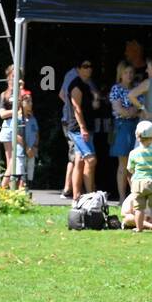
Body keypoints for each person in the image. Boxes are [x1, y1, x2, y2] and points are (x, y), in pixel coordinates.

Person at [63, 59, 103, 200]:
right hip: (78, 128)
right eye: (85, 66)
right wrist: (82, 127)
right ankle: (90, 194)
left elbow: (92, 107)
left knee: (79, 161)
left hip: (87, 126)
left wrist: (96, 99)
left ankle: (77, 196)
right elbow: (76, 108)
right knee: (91, 160)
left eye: (90, 66)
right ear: (78, 69)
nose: (89, 69)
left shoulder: (87, 85)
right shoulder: (76, 85)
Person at [0, 66, 33, 189]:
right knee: (11, 161)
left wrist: (21, 90)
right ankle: (6, 188)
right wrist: (16, 110)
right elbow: (2, 114)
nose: (14, 79)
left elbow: (26, 108)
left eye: (17, 77)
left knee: (17, 159)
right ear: (8, 78)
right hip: (7, 127)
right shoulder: (4, 95)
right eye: (12, 76)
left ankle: (6, 188)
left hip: (19, 127)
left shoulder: (23, 93)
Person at [110, 61, 141, 201]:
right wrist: (131, 111)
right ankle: (122, 198)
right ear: (120, 74)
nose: (129, 75)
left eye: (131, 72)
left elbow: (140, 109)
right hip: (122, 127)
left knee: (135, 164)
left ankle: (135, 197)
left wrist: (131, 112)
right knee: (123, 163)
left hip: (136, 126)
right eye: (126, 72)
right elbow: (119, 109)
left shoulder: (137, 88)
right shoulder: (116, 89)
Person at [127, 121, 152, 234]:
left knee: (138, 208)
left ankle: (139, 228)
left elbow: (130, 168)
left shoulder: (133, 153)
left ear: (137, 137)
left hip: (137, 182)